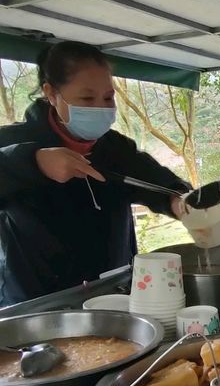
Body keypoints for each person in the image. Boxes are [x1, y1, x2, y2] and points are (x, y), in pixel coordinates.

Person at [0, 41, 191, 306]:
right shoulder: (12, 140)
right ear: (52, 94)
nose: (101, 108)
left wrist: (178, 201)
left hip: (112, 293)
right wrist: (34, 162)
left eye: (108, 97)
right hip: (38, 303)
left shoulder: (115, 148)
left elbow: (154, 181)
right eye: (87, 98)